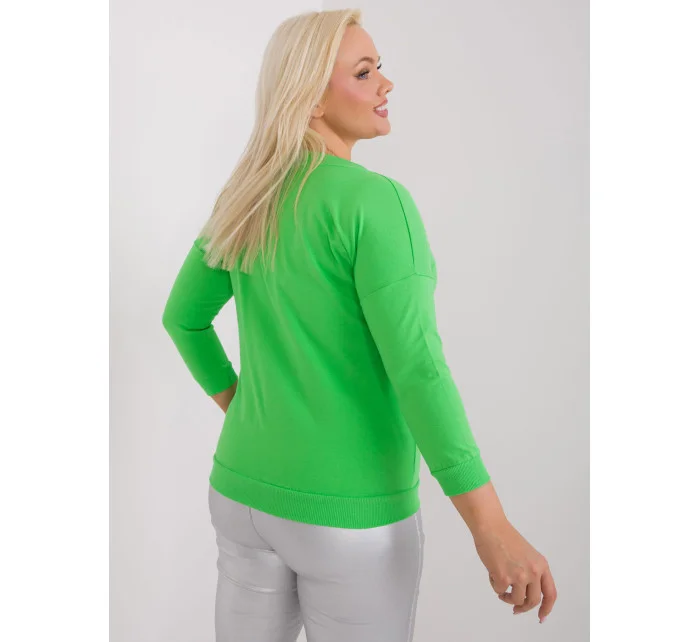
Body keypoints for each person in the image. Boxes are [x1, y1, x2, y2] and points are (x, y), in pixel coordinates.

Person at [162, 9, 557, 642]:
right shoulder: (375, 202)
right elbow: (418, 368)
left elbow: (183, 320)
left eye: (379, 69)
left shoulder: (248, 197)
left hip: (241, 494)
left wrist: (245, 408)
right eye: (365, 72)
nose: (386, 84)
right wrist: (490, 525)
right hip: (349, 516)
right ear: (313, 99)